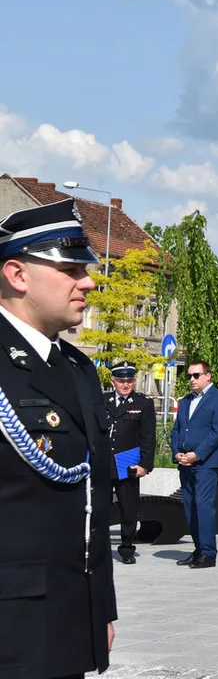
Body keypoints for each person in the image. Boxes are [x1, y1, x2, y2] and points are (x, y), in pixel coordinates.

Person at [0, 199, 117, 676]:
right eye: (70, 269)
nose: (87, 282)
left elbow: (93, 501)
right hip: (12, 621)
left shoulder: (78, 368)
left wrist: (101, 604)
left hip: (70, 614)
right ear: (18, 274)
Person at [170, 359, 218, 569]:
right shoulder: (186, 401)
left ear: (208, 375)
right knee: (189, 507)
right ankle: (198, 549)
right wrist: (176, 452)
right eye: (189, 376)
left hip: (206, 463)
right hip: (185, 462)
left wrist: (197, 454)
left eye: (196, 375)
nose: (192, 380)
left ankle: (208, 553)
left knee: (203, 506)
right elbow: (177, 429)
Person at [105, 360, 156, 564]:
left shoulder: (143, 403)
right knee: (100, 508)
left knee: (128, 510)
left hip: (127, 464)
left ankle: (126, 549)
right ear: (113, 381)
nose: (125, 385)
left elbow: (148, 437)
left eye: (129, 381)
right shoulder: (102, 401)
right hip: (103, 464)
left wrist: (145, 465)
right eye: (120, 381)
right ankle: (97, 547)